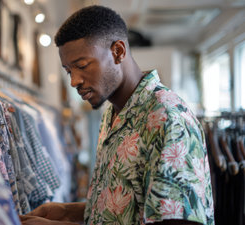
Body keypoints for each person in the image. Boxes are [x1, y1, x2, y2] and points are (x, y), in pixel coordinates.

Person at [20, 5, 215, 225]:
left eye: (82, 65)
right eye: (68, 71)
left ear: (118, 51)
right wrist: (67, 211)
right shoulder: (113, 113)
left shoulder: (167, 118)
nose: (74, 81)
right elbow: (127, 207)